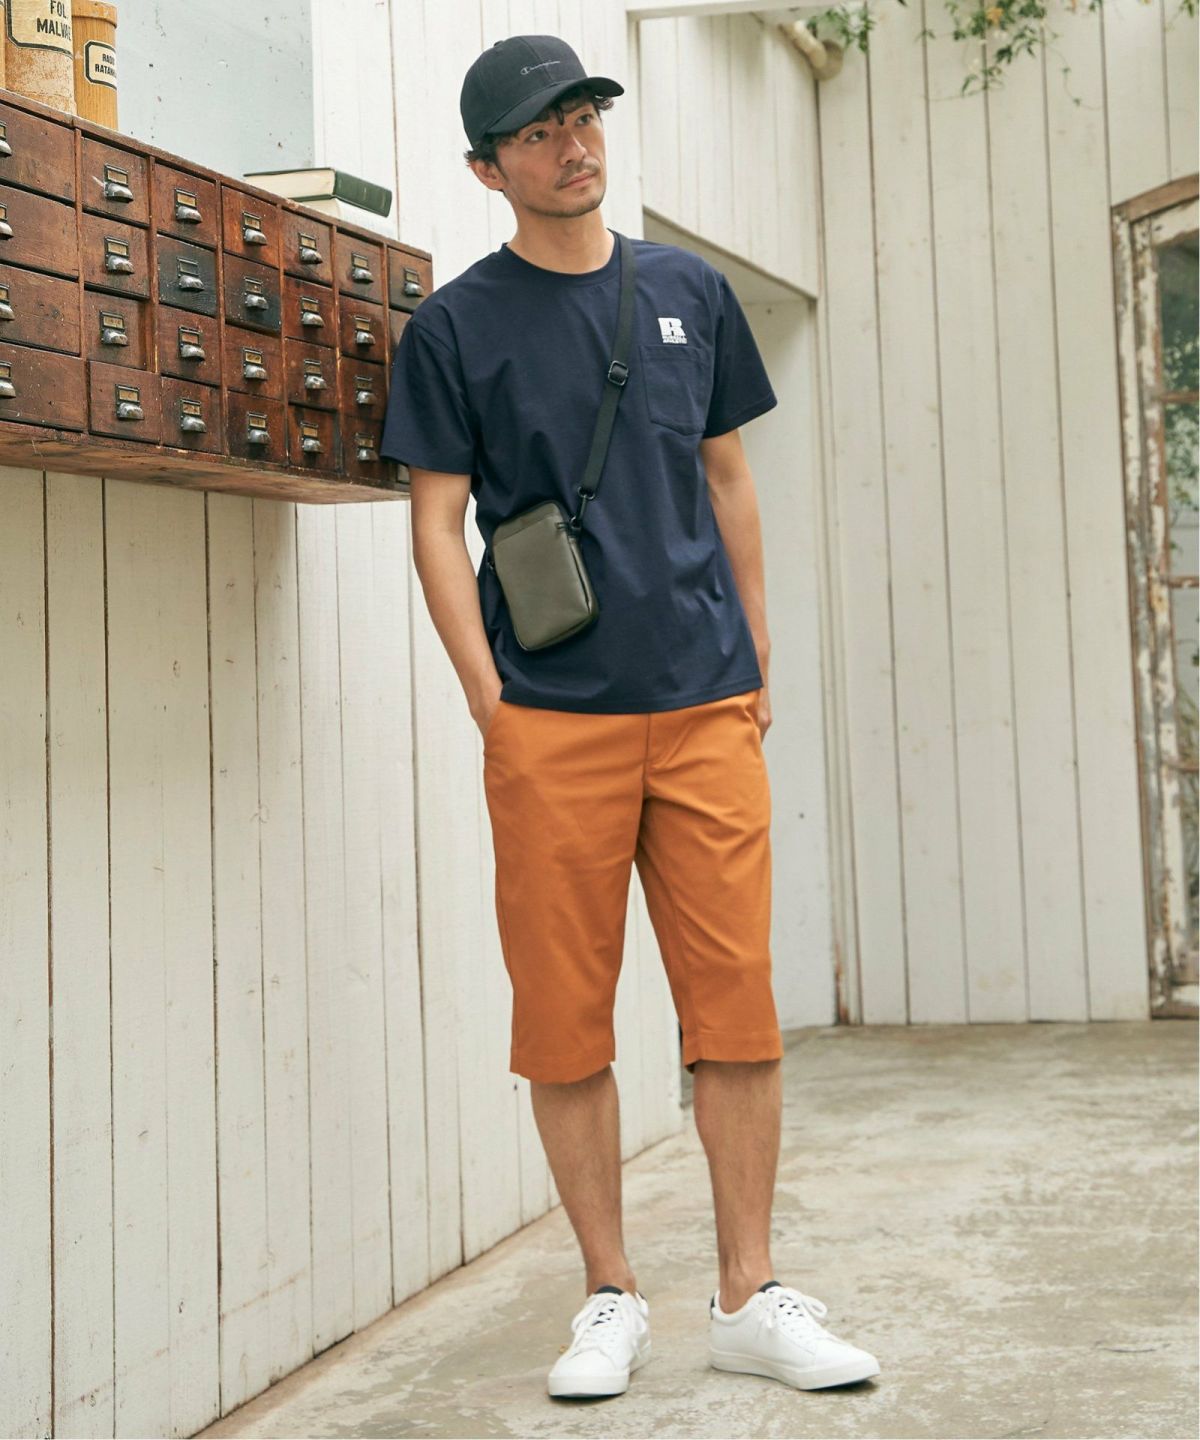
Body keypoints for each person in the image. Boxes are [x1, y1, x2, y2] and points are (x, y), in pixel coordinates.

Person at [380, 31, 880, 1403]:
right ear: (488, 169)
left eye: (585, 115)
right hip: (553, 722)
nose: (575, 144)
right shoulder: (456, 328)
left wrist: (756, 651)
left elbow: (729, 477)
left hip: (706, 704)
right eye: (538, 131)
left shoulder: (688, 292)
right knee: (565, 1017)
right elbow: (434, 525)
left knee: (737, 1009)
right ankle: (609, 1294)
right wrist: (491, 703)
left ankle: (749, 1294)